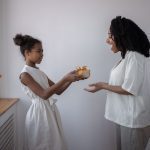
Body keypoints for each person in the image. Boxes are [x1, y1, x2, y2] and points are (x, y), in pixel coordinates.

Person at [85, 16, 150, 150]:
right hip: (125, 118)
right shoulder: (128, 57)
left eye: (110, 35)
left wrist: (102, 85)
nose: (107, 40)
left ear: (121, 36)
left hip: (133, 121)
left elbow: (129, 89)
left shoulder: (134, 56)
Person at [13, 34, 84, 150]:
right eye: (39, 51)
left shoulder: (39, 72)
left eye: (42, 51)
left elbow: (58, 90)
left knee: (54, 144)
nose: (42, 54)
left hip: (48, 112)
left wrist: (72, 79)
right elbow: (44, 94)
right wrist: (65, 78)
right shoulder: (25, 75)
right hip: (39, 115)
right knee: (43, 145)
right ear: (27, 53)